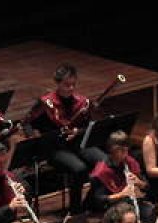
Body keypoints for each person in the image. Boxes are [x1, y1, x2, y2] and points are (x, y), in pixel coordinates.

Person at [22, 63, 109, 214]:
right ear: (57, 83)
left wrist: (78, 131)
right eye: (66, 85)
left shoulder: (82, 102)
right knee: (79, 169)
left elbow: (90, 127)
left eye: (73, 85)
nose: (70, 88)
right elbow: (27, 123)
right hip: (55, 147)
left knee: (105, 161)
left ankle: (90, 201)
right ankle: (75, 210)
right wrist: (34, 138)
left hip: (77, 143)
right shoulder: (46, 102)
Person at [88, 130, 150, 218]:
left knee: (153, 214)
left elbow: (147, 186)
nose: (125, 154)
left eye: (126, 150)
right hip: (113, 209)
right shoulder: (101, 171)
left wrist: (139, 182)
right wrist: (122, 194)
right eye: (122, 151)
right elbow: (98, 201)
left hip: (131, 203)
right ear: (112, 150)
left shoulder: (129, 162)